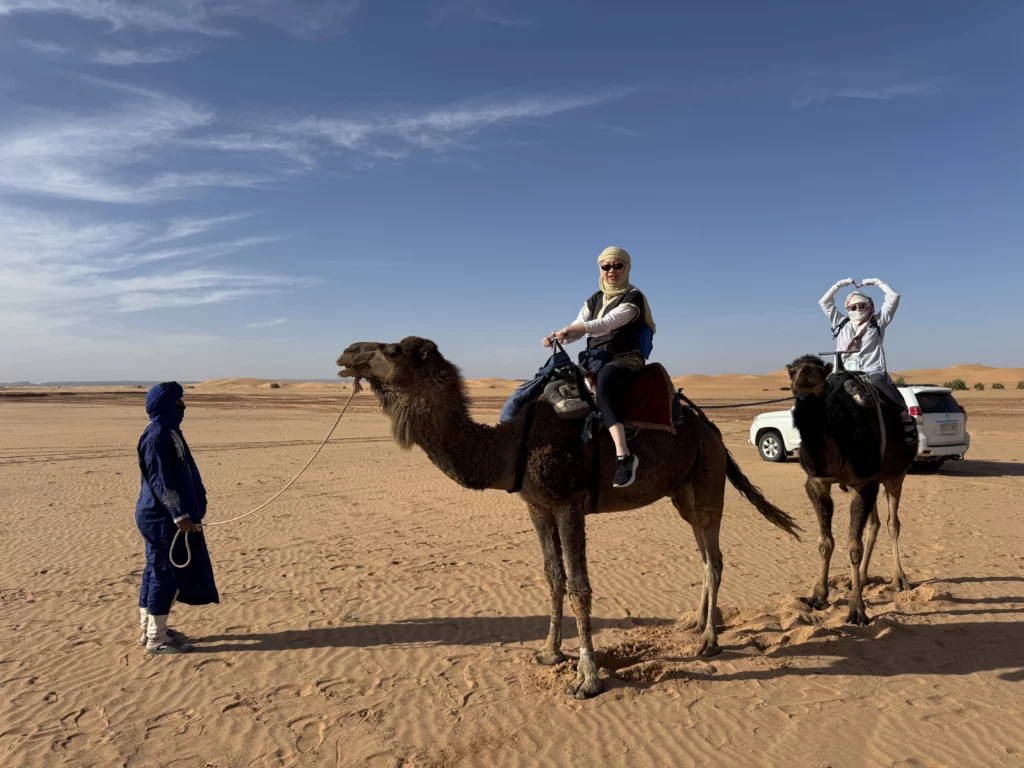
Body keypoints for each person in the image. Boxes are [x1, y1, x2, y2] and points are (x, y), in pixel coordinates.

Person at [543, 246, 657, 488]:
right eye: (606, 267)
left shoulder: (633, 297)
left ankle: (624, 455)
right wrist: (559, 336)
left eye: (618, 266)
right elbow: (579, 325)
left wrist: (572, 330)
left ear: (627, 267)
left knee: (604, 384)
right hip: (594, 357)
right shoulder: (593, 299)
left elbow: (607, 324)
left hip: (625, 358)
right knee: (552, 385)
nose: (611, 271)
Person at [135, 382, 219, 653]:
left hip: (164, 517)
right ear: (164, 405)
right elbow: (161, 480)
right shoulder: (157, 433)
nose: (182, 407)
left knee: (154, 570)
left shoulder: (170, 431)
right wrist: (179, 514)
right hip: (162, 518)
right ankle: (157, 640)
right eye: (177, 402)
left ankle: (150, 630)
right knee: (165, 574)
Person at [820, 277, 917, 444]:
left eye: (862, 305)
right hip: (843, 372)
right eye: (853, 307)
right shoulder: (841, 323)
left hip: (871, 371)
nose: (857, 309)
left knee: (893, 399)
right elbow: (825, 302)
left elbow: (893, 297)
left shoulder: (878, 322)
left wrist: (878, 283)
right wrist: (839, 285)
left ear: (869, 305)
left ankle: (907, 428)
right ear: (848, 309)